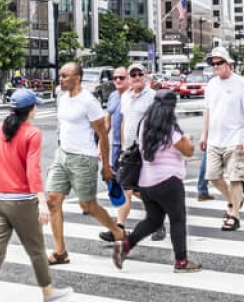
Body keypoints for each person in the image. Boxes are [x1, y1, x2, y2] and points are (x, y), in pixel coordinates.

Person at [0, 89, 74, 302]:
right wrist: (41, 202)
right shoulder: (32, 133)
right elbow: (32, 171)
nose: (36, 109)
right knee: (37, 249)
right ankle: (48, 292)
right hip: (21, 201)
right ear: (30, 109)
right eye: (35, 106)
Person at [45, 62, 125, 265]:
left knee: (87, 205)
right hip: (62, 155)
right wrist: (57, 158)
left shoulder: (88, 101)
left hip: (84, 158)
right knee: (53, 200)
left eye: (65, 76)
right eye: (60, 75)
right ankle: (60, 252)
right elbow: (62, 128)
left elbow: (102, 135)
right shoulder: (62, 98)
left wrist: (106, 166)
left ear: (77, 78)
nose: (61, 79)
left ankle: (117, 231)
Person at [112, 90, 201, 273]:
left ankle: (126, 245)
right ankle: (181, 262)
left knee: (153, 220)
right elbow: (188, 151)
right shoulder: (170, 128)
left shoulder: (144, 123)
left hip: (146, 183)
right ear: (172, 107)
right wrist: (188, 139)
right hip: (169, 181)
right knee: (177, 220)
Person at [200, 46, 244, 231]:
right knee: (213, 176)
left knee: (235, 178)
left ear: (228, 63)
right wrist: (204, 134)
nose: (215, 67)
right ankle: (233, 202)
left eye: (219, 63)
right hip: (214, 140)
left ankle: (234, 216)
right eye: (213, 64)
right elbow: (207, 111)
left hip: (236, 138)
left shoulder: (240, 83)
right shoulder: (211, 84)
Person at [116, 63, 163, 241]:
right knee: (125, 189)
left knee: (148, 189)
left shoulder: (152, 97)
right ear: (129, 78)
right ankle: (119, 228)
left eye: (139, 74)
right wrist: (122, 145)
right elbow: (124, 122)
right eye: (133, 74)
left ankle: (158, 222)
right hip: (129, 150)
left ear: (146, 76)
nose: (136, 77)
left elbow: (158, 123)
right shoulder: (126, 97)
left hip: (146, 149)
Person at [97, 66, 130, 240]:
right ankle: (157, 215)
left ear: (129, 79)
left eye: (121, 78)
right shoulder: (112, 96)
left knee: (127, 188)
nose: (117, 80)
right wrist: (100, 148)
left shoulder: (133, 96)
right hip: (116, 148)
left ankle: (119, 228)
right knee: (124, 187)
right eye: (115, 78)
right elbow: (107, 124)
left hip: (130, 150)